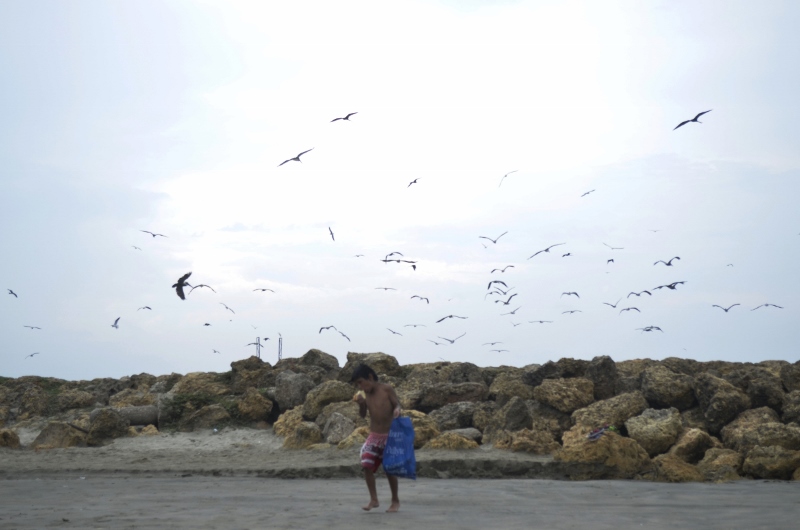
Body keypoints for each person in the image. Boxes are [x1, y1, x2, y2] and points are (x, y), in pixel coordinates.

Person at [351, 363, 402, 512]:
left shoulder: (386, 389)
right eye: (357, 384)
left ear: (370, 377)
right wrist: (361, 404)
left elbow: (397, 404)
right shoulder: (366, 394)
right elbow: (362, 414)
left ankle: (395, 501)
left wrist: (397, 410)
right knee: (366, 464)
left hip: (389, 436)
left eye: (360, 382)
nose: (360, 387)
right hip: (374, 436)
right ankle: (374, 499)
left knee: (389, 469)